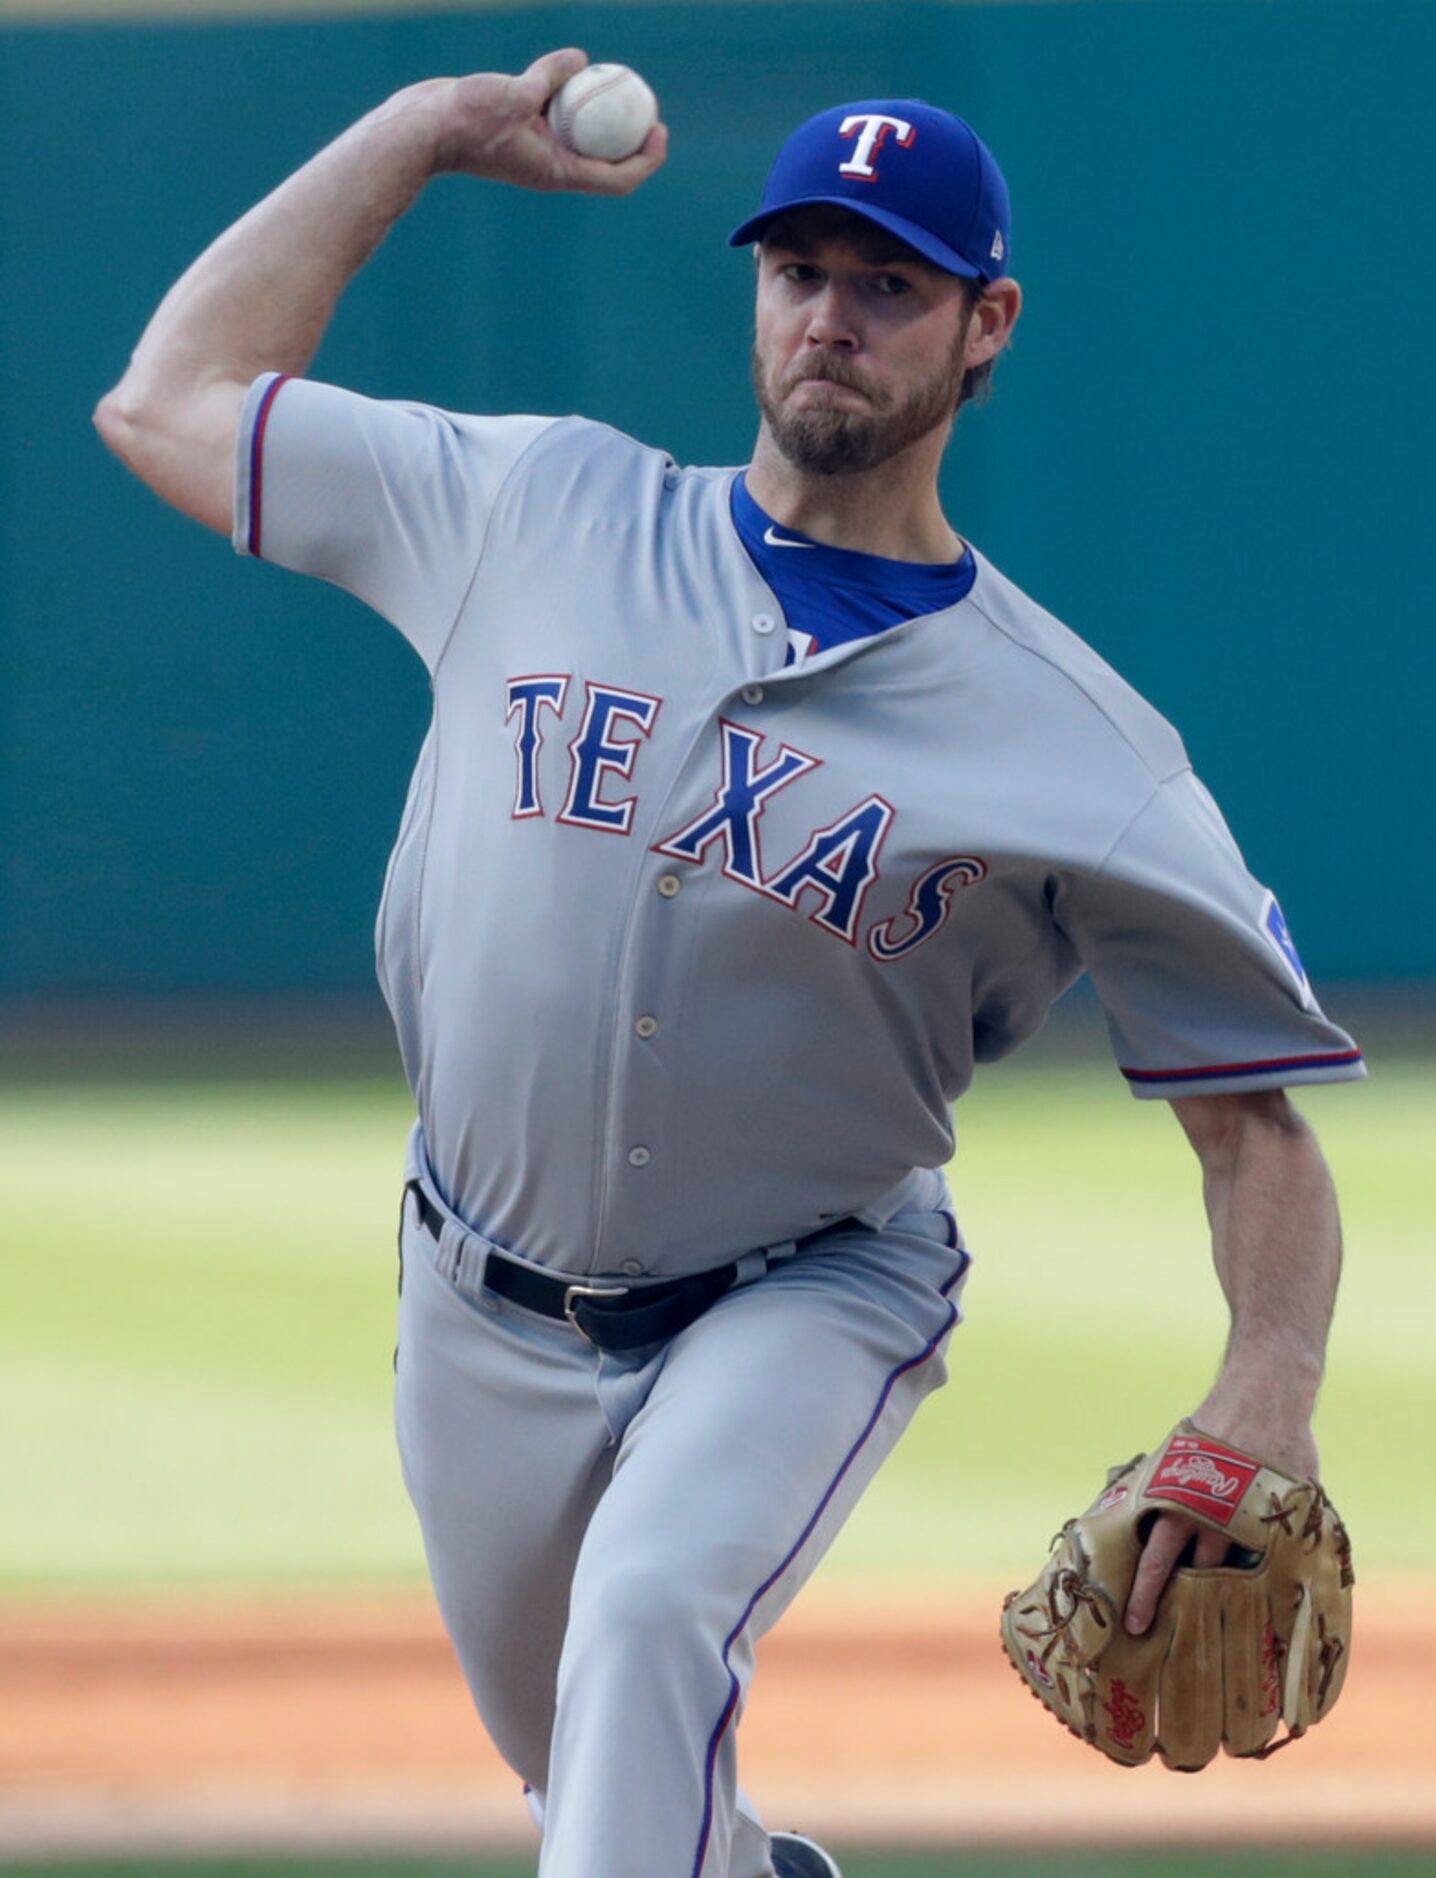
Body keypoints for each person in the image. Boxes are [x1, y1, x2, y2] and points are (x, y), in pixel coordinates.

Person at [95, 49, 1364, 1878]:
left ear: (983, 323)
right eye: (798, 272)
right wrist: (426, 135)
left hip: (805, 1292)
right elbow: (170, 398)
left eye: (888, 283)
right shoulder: (531, 509)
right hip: (472, 1294)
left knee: (643, 1634)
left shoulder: (1084, 745)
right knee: (602, 1782)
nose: (830, 317)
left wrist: (1270, 1380)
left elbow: (1258, 1123)